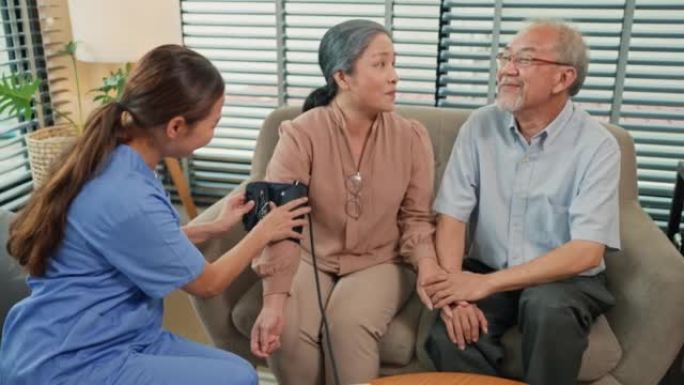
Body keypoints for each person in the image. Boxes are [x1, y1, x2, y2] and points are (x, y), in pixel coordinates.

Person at [0, 45, 310, 385]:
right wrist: (264, 232)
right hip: (72, 359)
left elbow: (135, 242)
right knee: (236, 379)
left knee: (241, 372)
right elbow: (207, 284)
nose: (214, 133)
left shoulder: (118, 158)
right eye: (214, 123)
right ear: (176, 126)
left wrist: (210, 229)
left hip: (119, 335)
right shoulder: (125, 193)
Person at [423, 20, 620, 385]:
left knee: (547, 309)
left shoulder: (598, 146)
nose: (506, 70)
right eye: (505, 57)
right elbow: (452, 215)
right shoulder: (479, 126)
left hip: (565, 279)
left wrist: (486, 285)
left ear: (563, 79)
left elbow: (587, 252)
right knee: (446, 336)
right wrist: (457, 291)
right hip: (488, 265)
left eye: (524, 60)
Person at [248, 19, 443, 385]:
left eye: (394, 63)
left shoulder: (411, 137)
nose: (394, 77)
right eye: (380, 64)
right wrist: (274, 301)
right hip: (309, 254)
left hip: (381, 259)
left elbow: (416, 219)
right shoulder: (301, 133)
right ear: (342, 77)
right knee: (287, 327)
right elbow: (278, 223)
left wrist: (428, 265)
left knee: (348, 323)